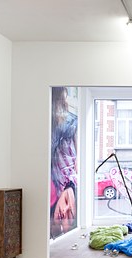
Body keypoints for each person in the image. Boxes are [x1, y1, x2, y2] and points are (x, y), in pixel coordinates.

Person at [50, 86, 78, 237]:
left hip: (65, 182)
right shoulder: (65, 126)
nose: (65, 104)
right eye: (62, 100)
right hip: (61, 183)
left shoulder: (70, 124)